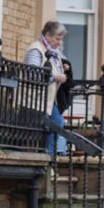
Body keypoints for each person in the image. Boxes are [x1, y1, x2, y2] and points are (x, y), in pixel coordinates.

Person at [25, 21, 67, 154]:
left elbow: (52, 67)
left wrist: (64, 68)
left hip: (48, 100)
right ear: (47, 35)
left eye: (61, 39)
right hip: (35, 99)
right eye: (57, 39)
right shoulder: (36, 49)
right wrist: (55, 77)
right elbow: (33, 74)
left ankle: (49, 155)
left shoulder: (53, 51)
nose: (59, 42)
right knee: (54, 124)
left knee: (57, 123)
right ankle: (47, 156)